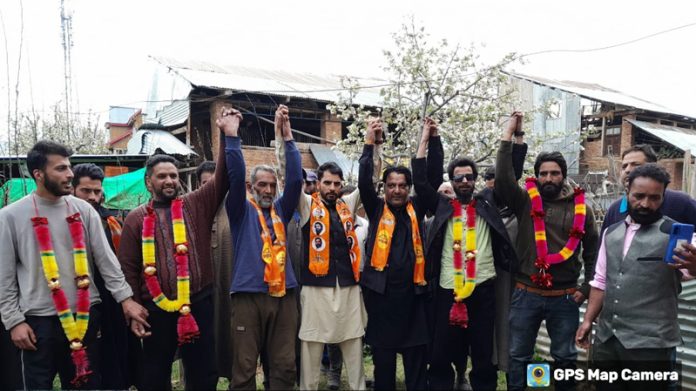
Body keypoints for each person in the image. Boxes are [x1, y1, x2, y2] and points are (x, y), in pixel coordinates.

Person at [0, 140, 148, 390]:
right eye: (60, 169)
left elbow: (106, 261)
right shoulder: (11, 216)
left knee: (87, 385)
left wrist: (126, 300)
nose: (69, 174)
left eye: (69, 167)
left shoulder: (83, 211)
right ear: (38, 174)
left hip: (85, 316)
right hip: (38, 322)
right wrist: (14, 321)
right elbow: (4, 276)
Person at [118, 108, 233, 390]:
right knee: (155, 375)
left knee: (204, 373)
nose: (169, 180)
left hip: (199, 304)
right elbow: (129, 268)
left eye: (173, 175)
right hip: (156, 310)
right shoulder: (135, 218)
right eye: (162, 176)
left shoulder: (196, 204)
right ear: (149, 182)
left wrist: (226, 134)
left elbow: (224, 177)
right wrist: (132, 308)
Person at [495, 112, 599, 391]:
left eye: (554, 173)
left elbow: (593, 252)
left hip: (565, 298)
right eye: (543, 173)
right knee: (520, 355)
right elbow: (504, 179)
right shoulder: (525, 202)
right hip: (526, 293)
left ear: (563, 175)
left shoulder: (582, 209)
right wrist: (510, 135)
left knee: (564, 356)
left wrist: (586, 287)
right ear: (537, 176)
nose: (549, 178)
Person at [413, 118, 518, 390]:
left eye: (469, 177)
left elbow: (509, 177)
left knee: (483, 353)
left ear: (475, 180)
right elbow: (422, 179)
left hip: (483, 288)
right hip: (448, 288)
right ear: (452, 181)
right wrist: (426, 139)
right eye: (458, 177)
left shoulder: (487, 202)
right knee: (441, 353)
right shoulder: (442, 206)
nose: (464, 181)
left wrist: (513, 136)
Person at [576, 164, 681, 391]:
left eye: (654, 198)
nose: (645, 204)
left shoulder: (675, 234)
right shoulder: (611, 232)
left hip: (651, 346)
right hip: (607, 340)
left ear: (663, 197)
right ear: (627, 193)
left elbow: (689, 270)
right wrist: (587, 321)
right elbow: (601, 280)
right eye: (639, 196)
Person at [225, 105, 302, 390]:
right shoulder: (239, 210)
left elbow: (294, 180)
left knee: (285, 365)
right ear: (252, 187)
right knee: (244, 367)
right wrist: (232, 138)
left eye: (272, 185)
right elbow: (233, 178)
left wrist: (288, 136)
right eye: (262, 185)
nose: (268, 190)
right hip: (248, 296)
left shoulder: (281, 210)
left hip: (284, 296)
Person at [358, 118, 430, 390]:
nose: (397, 190)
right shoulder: (376, 210)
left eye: (402, 185)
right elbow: (364, 179)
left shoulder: (417, 209)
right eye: (391, 185)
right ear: (384, 189)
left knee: (416, 371)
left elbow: (428, 179)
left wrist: (426, 141)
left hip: (414, 301)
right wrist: (369, 141)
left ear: (408, 189)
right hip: (382, 300)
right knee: (384, 370)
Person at [295, 161, 367, 390]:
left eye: (337, 183)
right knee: (311, 347)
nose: (332, 188)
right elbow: (291, 180)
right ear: (317, 184)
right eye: (327, 183)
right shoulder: (307, 205)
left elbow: (366, 184)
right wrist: (285, 139)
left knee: (354, 345)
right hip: (316, 289)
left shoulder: (347, 205)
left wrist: (370, 146)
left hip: (348, 287)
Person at [71, 163, 137, 389]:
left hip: (111, 300)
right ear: (72, 190)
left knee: (115, 357)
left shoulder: (110, 222)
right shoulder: (62, 221)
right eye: (86, 191)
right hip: (77, 303)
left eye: (97, 192)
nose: (92, 197)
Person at [601, 144, 696, 234]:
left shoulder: (680, 202)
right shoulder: (615, 209)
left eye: (636, 165)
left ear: (653, 167)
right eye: (624, 166)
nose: (628, 170)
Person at [196, 160, 234, 382]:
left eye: (214, 183)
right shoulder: (191, 211)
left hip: (229, 292)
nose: (209, 188)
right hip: (200, 295)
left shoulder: (237, 212)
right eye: (204, 183)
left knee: (230, 341)